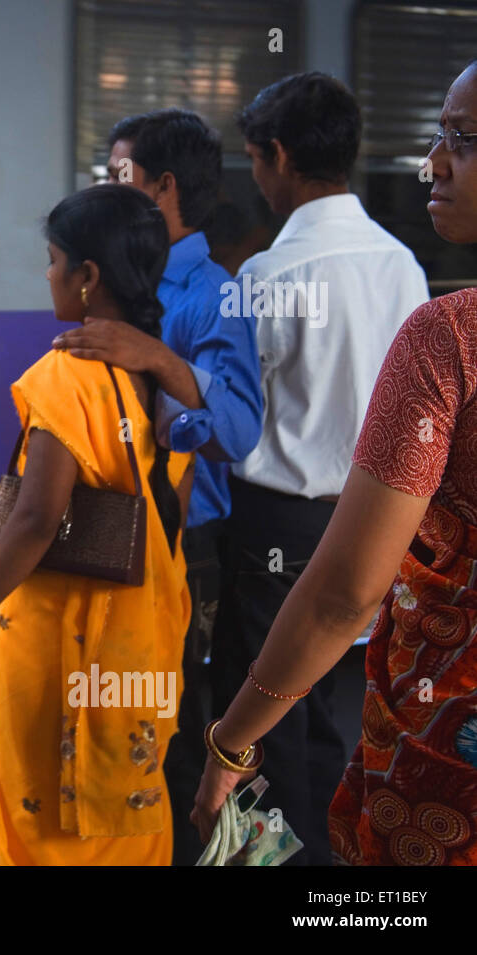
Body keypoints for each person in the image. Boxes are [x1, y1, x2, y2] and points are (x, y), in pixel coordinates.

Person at [194, 60, 477, 866]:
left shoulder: (264, 277)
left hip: (291, 533)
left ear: (278, 156)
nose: (435, 160)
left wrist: (228, 740)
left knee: (275, 734)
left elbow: (238, 426)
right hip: (400, 532)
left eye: (461, 138)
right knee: (324, 723)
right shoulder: (400, 266)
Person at [0, 185, 193, 866]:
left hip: (54, 649)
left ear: (88, 277)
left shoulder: (65, 375)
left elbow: (37, 517)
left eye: (53, 261)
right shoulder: (163, 378)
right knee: (117, 816)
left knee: (30, 825)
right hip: (138, 643)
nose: (47, 275)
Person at [54, 108, 264, 865]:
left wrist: (156, 359)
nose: (104, 188)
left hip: (185, 542)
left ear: (162, 187)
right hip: (111, 536)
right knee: (118, 727)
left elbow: (239, 429)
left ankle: (213, 856)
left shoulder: (214, 293)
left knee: (172, 729)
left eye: (117, 174)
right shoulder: (119, 277)